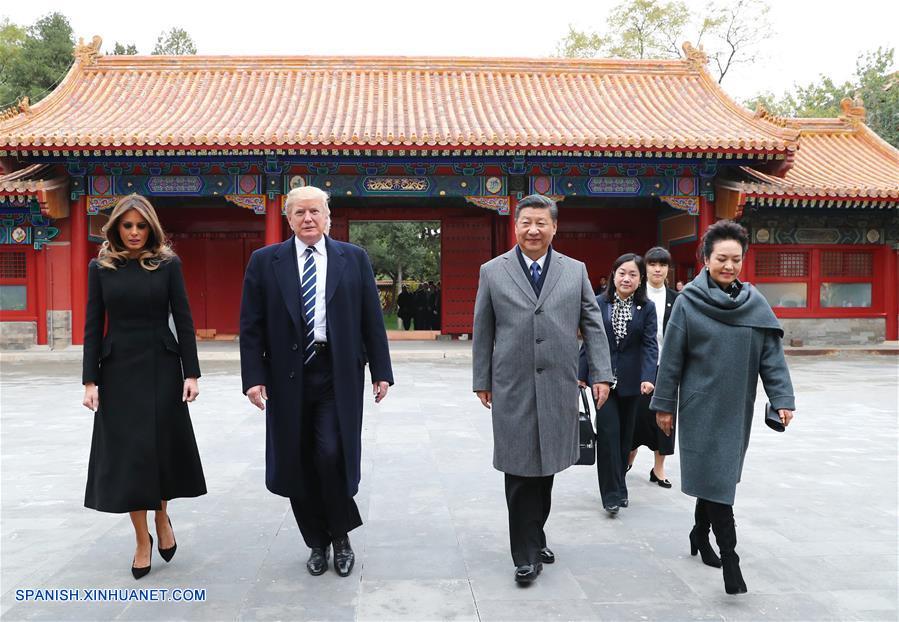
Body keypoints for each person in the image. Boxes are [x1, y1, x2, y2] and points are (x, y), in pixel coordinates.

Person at [239, 186, 393, 578]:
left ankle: (340, 535)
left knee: (330, 454)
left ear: (328, 216)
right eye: (299, 213)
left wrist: (381, 371)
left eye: (315, 212)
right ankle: (316, 542)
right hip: (286, 376)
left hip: (335, 371)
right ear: (288, 218)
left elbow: (370, 319)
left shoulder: (352, 259)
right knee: (297, 459)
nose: (308, 219)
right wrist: (253, 377)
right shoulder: (265, 261)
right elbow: (251, 326)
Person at [472, 194, 612, 585]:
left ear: (554, 227)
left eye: (541, 223)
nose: (533, 230)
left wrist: (601, 373)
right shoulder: (493, 271)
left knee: (547, 465)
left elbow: (593, 324)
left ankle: (535, 532)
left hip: (557, 382)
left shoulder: (575, 270)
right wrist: (481, 379)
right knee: (519, 467)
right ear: (515, 226)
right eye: (526, 223)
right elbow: (483, 329)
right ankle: (526, 553)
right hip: (511, 384)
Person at [651, 220, 795, 595]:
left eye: (735, 259)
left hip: (737, 409)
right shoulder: (688, 303)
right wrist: (664, 405)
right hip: (699, 407)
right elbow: (671, 360)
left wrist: (781, 399)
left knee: (718, 479)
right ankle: (731, 562)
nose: (728, 266)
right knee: (717, 480)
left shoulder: (755, 303)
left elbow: (772, 359)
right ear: (705, 259)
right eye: (721, 259)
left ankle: (699, 534)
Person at [81, 193, 206, 580]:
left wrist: (192, 372)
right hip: (118, 371)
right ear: (117, 228)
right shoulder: (100, 267)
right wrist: (90, 380)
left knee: (160, 450)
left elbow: (183, 319)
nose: (134, 232)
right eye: (127, 225)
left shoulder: (168, 264)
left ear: (150, 227)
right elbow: (92, 325)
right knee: (130, 457)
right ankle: (141, 538)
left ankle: (163, 516)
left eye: (140, 225)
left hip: (162, 367)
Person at [578, 253, 657, 515]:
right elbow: (589, 340)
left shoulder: (646, 308)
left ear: (640, 279)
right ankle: (610, 495)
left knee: (625, 438)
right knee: (609, 435)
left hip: (633, 381)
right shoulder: (599, 303)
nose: (626, 278)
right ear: (613, 275)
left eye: (633, 274)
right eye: (622, 272)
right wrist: (581, 373)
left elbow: (649, 344)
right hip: (602, 380)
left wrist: (649, 376)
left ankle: (620, 486)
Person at [628, 246, 678, 487]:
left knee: (665, 419)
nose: (658, 269)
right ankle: (629, 457)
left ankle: (658, 469)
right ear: (645, 268)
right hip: (640, 366)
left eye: (663, 264)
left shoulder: (676, 300)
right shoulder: (636, 296)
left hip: (666, 367)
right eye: (652, 264)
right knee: (636, 415)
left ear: (668, 269)